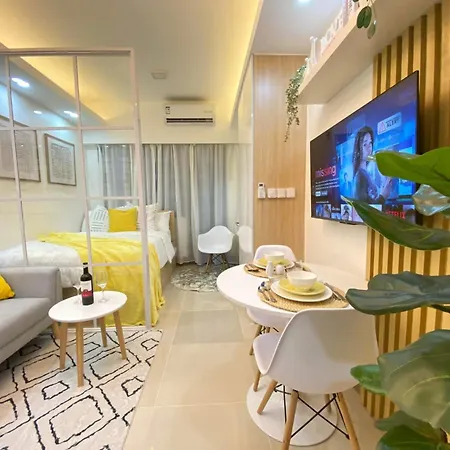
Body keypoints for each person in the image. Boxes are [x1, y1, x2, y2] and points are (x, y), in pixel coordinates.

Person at [352, 126, 392, 203]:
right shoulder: (360, 176)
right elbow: (364, 208)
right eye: (365, 144)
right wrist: (383, 196)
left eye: (370, 143)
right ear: (358, 149)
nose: (369, 148)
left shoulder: (365, 173)